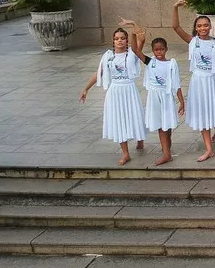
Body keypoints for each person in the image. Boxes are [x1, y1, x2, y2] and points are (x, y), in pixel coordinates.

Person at [79, 27, 146, 166]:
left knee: (134, 115)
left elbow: (141, 41)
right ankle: (125, 153)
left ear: (127, 40)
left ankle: (140, 139)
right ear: (113, 41)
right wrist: (86, 89)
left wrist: (134, 29)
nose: (119, 41)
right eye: (116, 39)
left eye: (122, 38)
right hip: (115, 91)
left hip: (129, 89)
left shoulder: (132, 54)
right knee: (119, 120)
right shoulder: (108, 56)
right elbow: (99, 73)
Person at [122, 19, 184, 166]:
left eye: (161, 49)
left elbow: (176, 84)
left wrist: (181, 101)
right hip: (155, 97)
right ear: (153, 50)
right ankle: (166, 154)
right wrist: (133, 32)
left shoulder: (171, 64)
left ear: (166, 49)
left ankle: (167, 150)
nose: (159, 52)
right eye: (156, 50)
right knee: (161, 126)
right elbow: (136, 50)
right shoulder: (150, 62)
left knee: (167, 126)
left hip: (167, 97)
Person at [171, 0, 215, 162]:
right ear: (195, 28)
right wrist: (175, 7)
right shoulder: (193, 41)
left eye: (206, 25)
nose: (203, 28)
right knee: (203, 113)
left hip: (213, 81)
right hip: (199, 82)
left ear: (210, 27)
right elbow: (176, 27)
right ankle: (209, 149)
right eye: (199, 25)